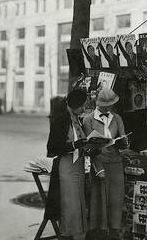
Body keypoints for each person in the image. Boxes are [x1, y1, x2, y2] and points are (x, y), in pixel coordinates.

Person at [45, 89, 101, 240]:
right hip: (66, 169)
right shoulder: (61, 121)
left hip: (78, 168)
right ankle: (69, 236)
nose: (84, 109)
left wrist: (93, 148)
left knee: (80, 206)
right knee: (70, 208)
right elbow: (52, 148)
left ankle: (78, 236)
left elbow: (81, 144)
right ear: (75, 104)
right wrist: (74, 146)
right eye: (82, 106)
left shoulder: (77, 120)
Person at [83, 88, 128, 240]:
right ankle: (99, 233)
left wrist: (123, 143)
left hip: (116, 163)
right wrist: (98, 169)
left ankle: (114, 232)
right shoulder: (88, 120)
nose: (109, 108)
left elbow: (124, 143)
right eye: (106, 105)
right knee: (99, 200)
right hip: (99, 163)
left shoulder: (117, 118)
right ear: (99, 104)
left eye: (111, 105)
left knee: (116, 200)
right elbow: (89, 147)